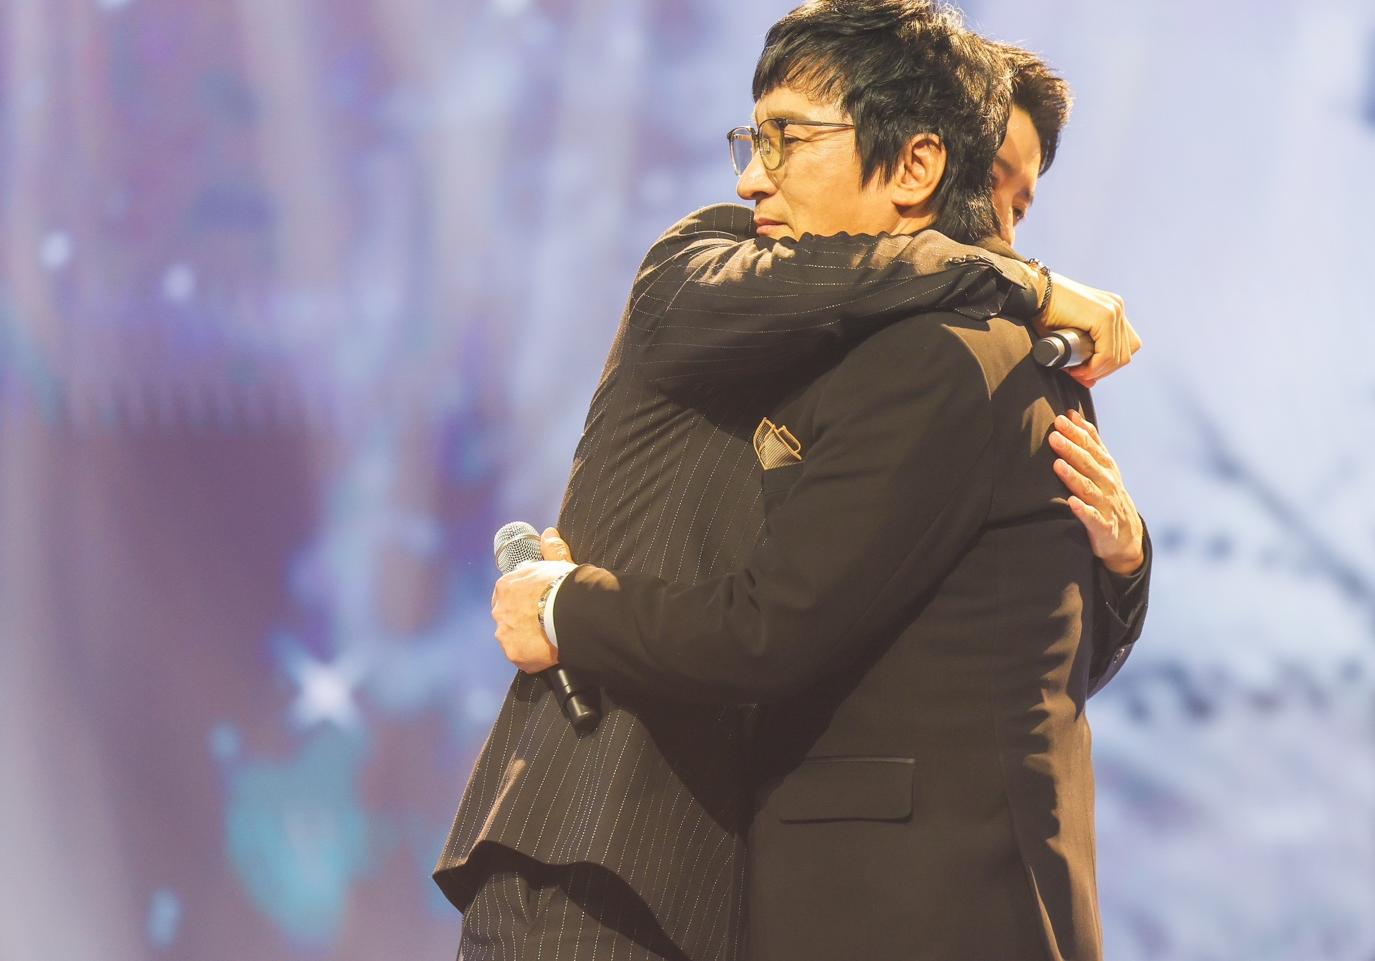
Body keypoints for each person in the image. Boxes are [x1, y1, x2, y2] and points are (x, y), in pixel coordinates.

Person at [445, 3, 1144, 958]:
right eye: (756, 138)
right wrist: (1030, 285)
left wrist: (1123, 559)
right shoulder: (709, 268)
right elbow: (864, 278)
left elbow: (996, 635)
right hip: (599, 835)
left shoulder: (957, 356)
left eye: (1014, 206)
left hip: (733, 871)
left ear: (916, 166)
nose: (752, 175)